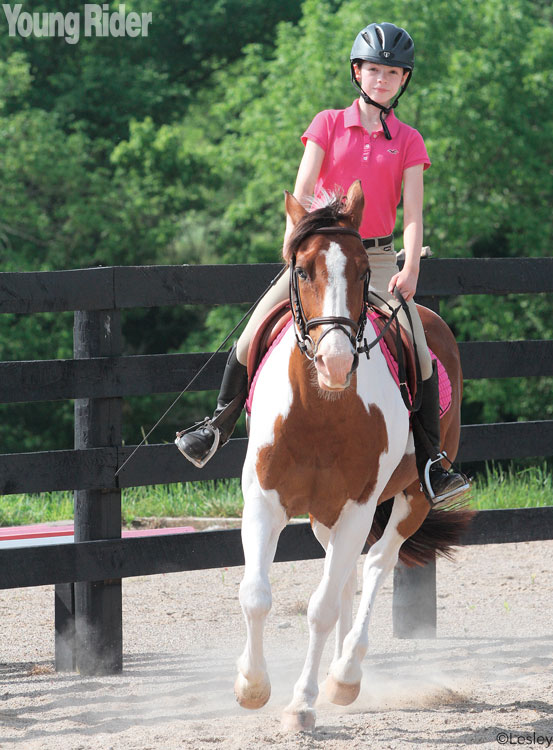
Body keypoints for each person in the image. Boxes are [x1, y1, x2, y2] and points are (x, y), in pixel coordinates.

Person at [176, 22, 470, 505]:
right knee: (253, 329)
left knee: (418, 345)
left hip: (373, 257)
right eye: (373, 70)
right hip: (318, 250)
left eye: (392, 73)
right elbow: (303, 190)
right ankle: (217, 425)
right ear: (358, 72)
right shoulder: (327, 123)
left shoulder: (410, 142)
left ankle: (433, 461)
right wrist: (297, 249)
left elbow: (414, 216)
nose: (382, 79)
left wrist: (411, 267)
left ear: (403, 80)